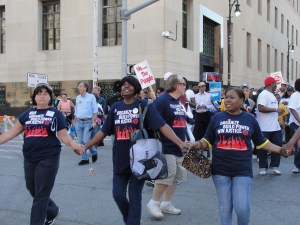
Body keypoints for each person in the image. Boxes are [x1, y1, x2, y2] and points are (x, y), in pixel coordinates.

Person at [83, 76, 188, 225]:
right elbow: (104, 131)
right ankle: (131, 220)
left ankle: (133, 222)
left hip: (141, 160)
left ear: (136, 88)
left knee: (135, 198)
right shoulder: (115, 108)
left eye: (130, 85)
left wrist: (179, 142)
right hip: (120, 159)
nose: (126, 87)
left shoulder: (144, 106)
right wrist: (86, 146)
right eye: (124, 85)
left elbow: (162, 125)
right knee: (118, 195)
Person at [190, 87, 293, 225]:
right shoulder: (217, 118)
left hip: (242, 170)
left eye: (232, 97)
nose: (227, 100)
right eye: (226, 97)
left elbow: (261, 142)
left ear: (242, 100)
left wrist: (280, 150)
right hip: (220, 170)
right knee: (225, 208)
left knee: (242, 208)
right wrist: (196, 144)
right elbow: (207, 140)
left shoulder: (249, 119)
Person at [0, 83, 84, 225]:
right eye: (39, 93)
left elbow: (63, 135)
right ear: (34, 97)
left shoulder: (56, 114)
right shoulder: (26, 114)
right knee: (32, 188)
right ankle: (52, 210)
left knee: (41, 195)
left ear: (50, 97)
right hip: (29, 157)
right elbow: (10, 133)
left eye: (46, 93)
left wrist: (72, 144)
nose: (42, 95)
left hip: (49, 158)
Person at [147, 74, 188, 220]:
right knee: (167, 174)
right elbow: (155, 123)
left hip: (179, 146)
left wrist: (186, 141)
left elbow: (182, 123)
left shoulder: (177, 102)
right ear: (176, 85)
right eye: (183, 84)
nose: (185, 86)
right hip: (165, 146)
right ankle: (154, 202)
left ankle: (166, 203)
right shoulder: (162, 101)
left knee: (177, 176)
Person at [256, 77, 284, 175]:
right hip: (264, 127)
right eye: (275, 83)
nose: (276, 85)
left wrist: (278, 119)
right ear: (271, 84)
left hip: (275, 127)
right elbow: (260, 108)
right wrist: (276, 110)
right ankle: (263, 167)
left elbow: (273, 110)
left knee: (278, 145)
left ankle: (274, 166)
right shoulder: (263, 94)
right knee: (263, 147)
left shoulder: (272, 95)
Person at [74, 81, 98, 165]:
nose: (79, 88)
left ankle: (94, 152)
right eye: (78, 86)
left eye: (81, 86)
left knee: (85, 140)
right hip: (79, 122)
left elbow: (95, 110)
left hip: (88, 122)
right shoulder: (78, 98)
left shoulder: (91, 97)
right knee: (80, 141)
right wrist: (75, 120)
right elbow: (76, 110)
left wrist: (94, 121)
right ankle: (85, 159)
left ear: (85, 88)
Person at [287, 78, 300, 173]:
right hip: (295, 123)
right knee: (298, 145)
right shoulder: (295, 95)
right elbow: (292, 109)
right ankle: (297, 165)